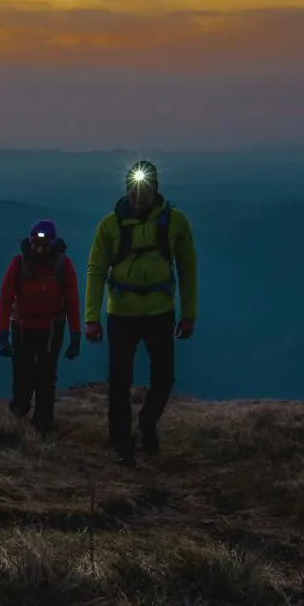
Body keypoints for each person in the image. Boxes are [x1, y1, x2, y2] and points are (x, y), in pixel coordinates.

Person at [82, 160, 198, 466]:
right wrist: (91, 317)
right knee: (119, 382)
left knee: (164, 378)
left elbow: (188, 269)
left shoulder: (176, 222)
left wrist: (189, 313)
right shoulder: (109, 225)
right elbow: (95, 271)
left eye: (144, 188)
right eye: (133, 188)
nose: (138, 194)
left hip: (160, 312)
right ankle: (123, 445)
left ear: (156, 188)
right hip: (121, 313)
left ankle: (146, 424)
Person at [0, 219, 82, 433]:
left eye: (44, 245)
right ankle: (20, 408)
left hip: (51, 329)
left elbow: (72, 300)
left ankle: (42, 425)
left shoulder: (63, 265)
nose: (39, 249)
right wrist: (2, 335)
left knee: (46, 376)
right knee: (22, 372)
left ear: (52, 244)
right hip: (23, 327)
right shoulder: (19, 264)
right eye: (36, 244)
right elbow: (5, 299)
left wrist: (75, 335)